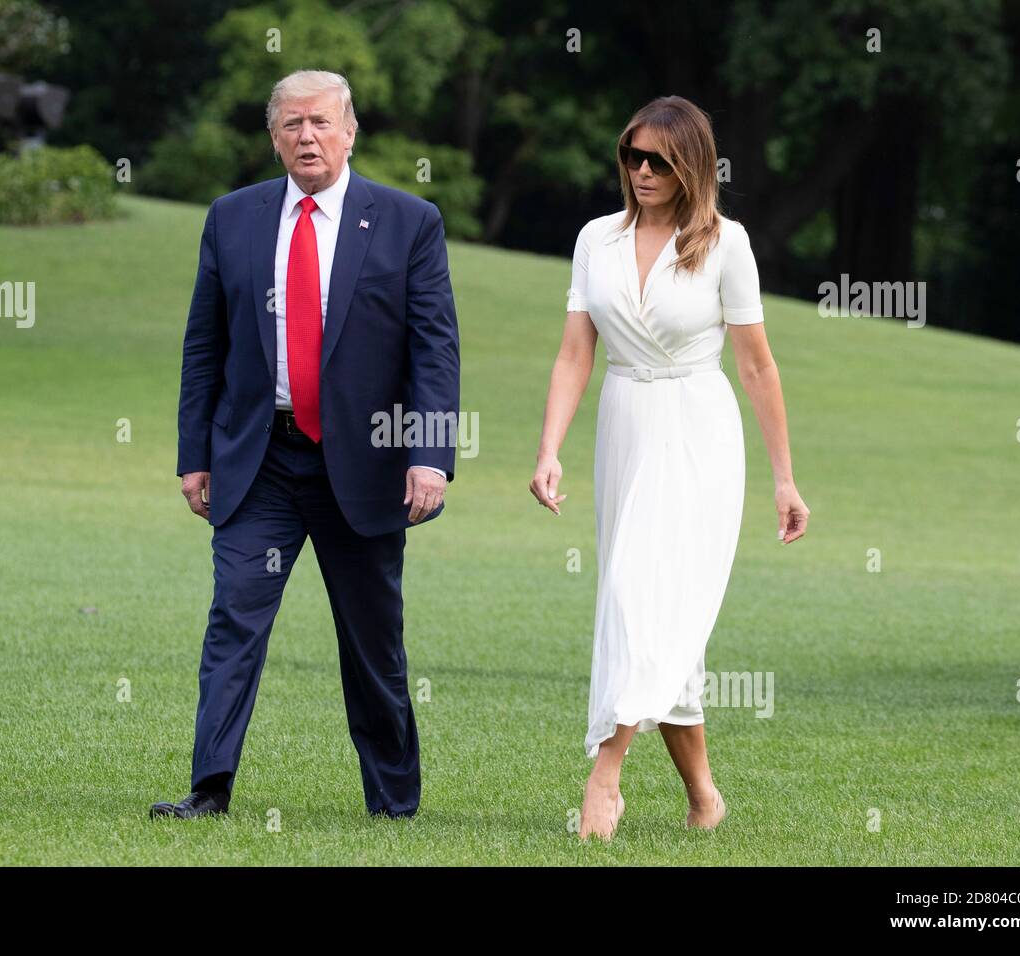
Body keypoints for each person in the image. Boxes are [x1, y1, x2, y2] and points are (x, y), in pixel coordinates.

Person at [151, 70, 460, 821]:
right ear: (273, 137)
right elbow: (205, 346)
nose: (307, 137)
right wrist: (194, 455)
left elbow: (435, 348)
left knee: (373, 642)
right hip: (260, 462)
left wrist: (431, 454)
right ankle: (209, 789)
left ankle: (394, 802)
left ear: (350, 131)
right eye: (291, 125)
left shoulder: (406, 221)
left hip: (366, 466)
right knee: (234, 620)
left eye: (321, 123)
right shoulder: (233, 218)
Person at [529, 95, 809, 840]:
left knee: (636, 597)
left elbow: (757, 367)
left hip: (698, 432)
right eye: (632, 156)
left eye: (657, 159)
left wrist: (784, 478)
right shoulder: (597, 239)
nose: (642, 170)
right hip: (624, 425)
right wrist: (549, 448)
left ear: (690, 164)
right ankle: (705, 796)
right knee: (661, 616)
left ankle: (605, 775)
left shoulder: (728, 244)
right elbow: (574, 351)